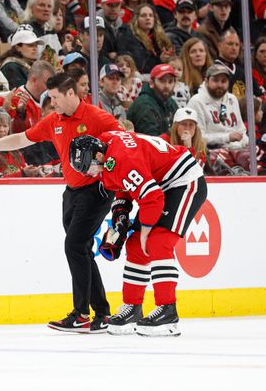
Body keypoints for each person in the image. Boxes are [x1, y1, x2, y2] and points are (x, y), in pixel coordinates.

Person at [0, 72, 124, 333]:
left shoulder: (98, 118)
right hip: (72, 192)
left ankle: (81, 313)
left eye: (55, 97)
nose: (52, 103)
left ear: (71, 94)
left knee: (74, 245)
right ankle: (102, 312)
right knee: (81, 250)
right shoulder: (54, 120)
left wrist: (103, 166)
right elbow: (21, 140)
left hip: (96, 190)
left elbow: (125, 145)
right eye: (50, 98)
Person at [69, 130, 206, 337]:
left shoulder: (122, 158)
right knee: (135, 245)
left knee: (158, 242)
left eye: (88, 168)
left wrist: (145, 230)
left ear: (97, 156)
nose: (88, 174)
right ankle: (133, 307)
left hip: (183, 182)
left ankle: (168, 311)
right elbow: (125, 181)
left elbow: (151, 197)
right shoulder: (106, 147)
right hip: (160, 184)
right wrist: (121, 214)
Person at [186, 64, 250, 173]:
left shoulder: (232, 99)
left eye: (223, 81)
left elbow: (242, 130)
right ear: (206, 81)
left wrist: (240, 143)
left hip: (236, 150)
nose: (220, 85)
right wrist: (227, 138)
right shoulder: (196, 101)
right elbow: (198, 138)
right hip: (210, 152)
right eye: (215, 80)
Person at [127, 63, 179, 136]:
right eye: (162, 81)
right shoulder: (144, 104)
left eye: (170, 81)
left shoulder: (170, 102)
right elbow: (151, 140)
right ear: (151, 83)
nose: (167, 86)